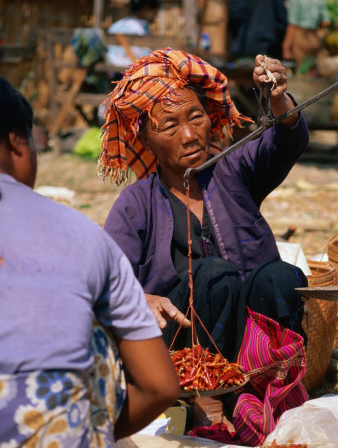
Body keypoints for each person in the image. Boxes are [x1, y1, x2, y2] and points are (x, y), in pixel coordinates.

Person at [98, 48, 309, 441]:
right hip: (179, 351)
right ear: (145, 135)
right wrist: (141, 298)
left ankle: (265, 395)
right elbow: (107, 281)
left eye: (196, 117)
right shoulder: (136, 202)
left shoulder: (233, 170)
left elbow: (284, 141)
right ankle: (206, 405)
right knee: (214, 276)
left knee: (281, 276)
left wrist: (280, 99)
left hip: (250, 342)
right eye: (170, 125)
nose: (190, 135)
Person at [0, 77, 179, 447]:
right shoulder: (87, 230)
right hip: (50, 429)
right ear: (17, 142)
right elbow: (161, 387)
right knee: (98, 322)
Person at [106, 0, 159, 67]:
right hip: (130, 68)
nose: (155, 16)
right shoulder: (140, 28)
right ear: (146, 9)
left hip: (111, 66)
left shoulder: (117, 24)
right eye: (154, 12)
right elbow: (145, 55)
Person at [282, 0, 331, 73]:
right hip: (314, 38)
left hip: (299, 36)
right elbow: (326, 22)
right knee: (307, 72)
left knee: (298, 72)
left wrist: (286, 47)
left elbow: (292, 24)